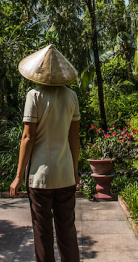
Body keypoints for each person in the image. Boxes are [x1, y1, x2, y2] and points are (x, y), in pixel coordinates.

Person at [10, 44, 81, 262]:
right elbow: (74, 138)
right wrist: (76, 171)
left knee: (42, 232)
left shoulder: (34, 96)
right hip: (65, 174)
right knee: (67, 230)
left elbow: (28, 138)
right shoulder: (72, 97)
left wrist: (18, 176)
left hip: (40, 177)